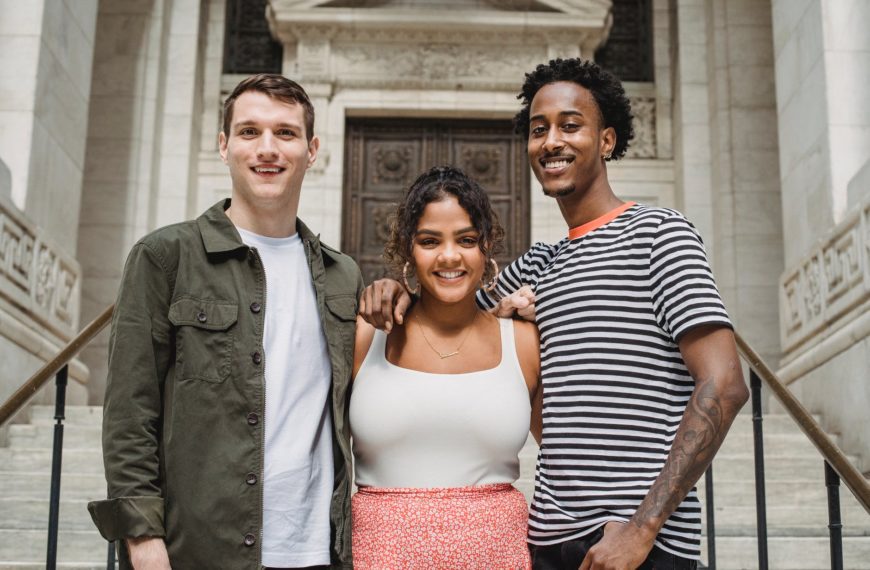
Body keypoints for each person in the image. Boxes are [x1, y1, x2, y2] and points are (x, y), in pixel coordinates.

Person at [359, 59, 749, 570]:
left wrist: (642, 528)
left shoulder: (660, 234)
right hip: (547, 540)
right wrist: (393, 293)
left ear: (607, 140)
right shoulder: (540, 264)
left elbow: (724, 385)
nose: (551, 141)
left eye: (570, 125)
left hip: (638, 545)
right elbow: (445, 301)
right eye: (539, 129)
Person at [88, 74, 362, 569]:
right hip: (199, 548)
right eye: (249, 131)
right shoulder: (166, 256)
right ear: (223, 145)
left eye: (286, 133)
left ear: (313, 148)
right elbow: (131, 411)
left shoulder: (344, 276)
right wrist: (143, 539)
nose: (267, 148)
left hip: (317, 551)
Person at [351, 165, 542, 569]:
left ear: (486, 247)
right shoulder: (368, 335)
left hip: (497, 557)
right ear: (408, 250)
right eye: (429, 240)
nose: (450, 255)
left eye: (467, 239)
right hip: (378, 557)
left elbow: (569, 458)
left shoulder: (524, 343)